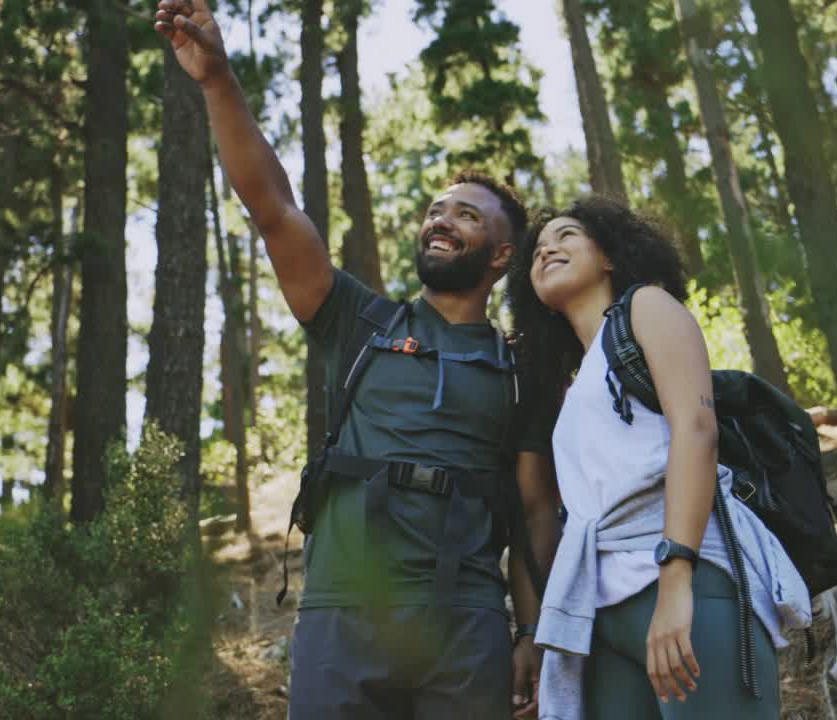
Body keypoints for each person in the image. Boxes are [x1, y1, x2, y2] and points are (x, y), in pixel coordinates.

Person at [154, 3, 560, 718]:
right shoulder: (358, 321)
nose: (441, 219)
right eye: (437, 208)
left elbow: (534, 515)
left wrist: (533, 632)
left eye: (466, 214)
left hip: (464, 620)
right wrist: (218, 82)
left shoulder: (521, 368)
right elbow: (274, 208)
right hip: (344, 612)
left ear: (502, 256)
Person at [505, 197, 813, 720]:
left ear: (607, 256)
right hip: (600, 611)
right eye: (537, 248)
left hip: (684, 578)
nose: (546, 249)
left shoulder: (645, 307)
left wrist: (676, 583)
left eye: (567, 236)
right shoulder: (575, 380)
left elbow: (696, 431)